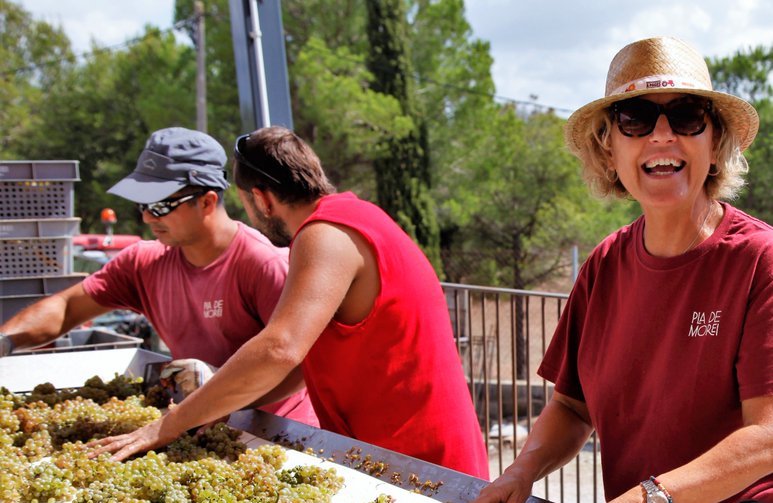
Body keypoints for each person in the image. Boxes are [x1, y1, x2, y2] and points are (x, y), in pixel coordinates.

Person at [462, 37, 773, 503]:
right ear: (608, 148)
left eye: (686, 116)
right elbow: (570, 405)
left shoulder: (761, 259)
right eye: (635, 118)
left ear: (716, 143)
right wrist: (521, 472)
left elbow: (772, 437)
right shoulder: (604, 266)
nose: (663, 135)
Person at [93, 127, 489, 479]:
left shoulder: (323, 234)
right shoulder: (355, 216)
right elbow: (302, 365)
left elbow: (280, 348)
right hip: (404, 458)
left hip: (424, 467)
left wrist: (169, 424)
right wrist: (211, 410)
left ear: (263, 200)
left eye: (247, 206)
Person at [0, 127, 318, 426]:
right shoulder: (143, 263)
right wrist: (5, 342)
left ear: (207, 201)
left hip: (274, 435)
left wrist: (219, 401)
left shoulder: (263, 265)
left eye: (161, 204)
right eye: (142, 203)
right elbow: (68, 308)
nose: (147, 216)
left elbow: (303, 367)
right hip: (194, 423)